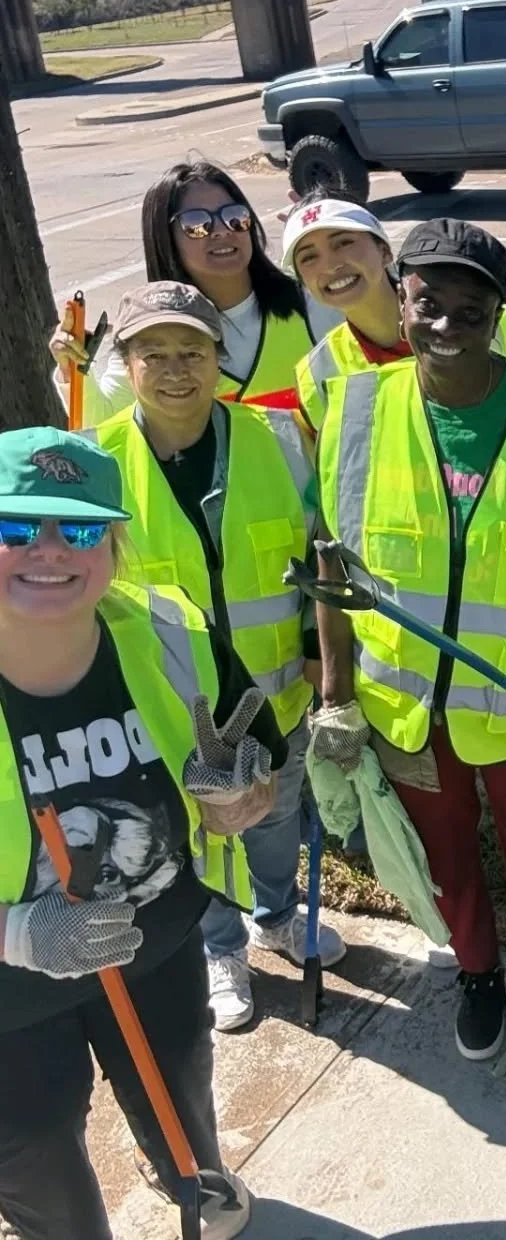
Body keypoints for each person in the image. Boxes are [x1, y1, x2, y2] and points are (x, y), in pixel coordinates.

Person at [306, 218, 506, 1063]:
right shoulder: (356, 411)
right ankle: (476, 968)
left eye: (471, 306)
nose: (447, 321)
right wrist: (335, 692)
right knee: (444, 846)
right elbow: (331, 561)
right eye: (429, 300)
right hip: (407, 704)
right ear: (400, 301)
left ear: (499, 311)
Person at [0, 427, 286, 1240]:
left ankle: (185, 1177)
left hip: (153, 942)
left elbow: (261, 763)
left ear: (115, 545)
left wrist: (241, 802)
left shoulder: (173, 637)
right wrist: (18, 933)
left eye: (81, 528)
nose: (48, 551)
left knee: (178, 1082)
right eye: (15, 529)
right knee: (36, 1144)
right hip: (6, 993)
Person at [87, 282, 345, 1033]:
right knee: (195, 834)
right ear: (126, 365)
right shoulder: (98, 464)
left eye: (193, 351)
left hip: (274, 696)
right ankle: (221, 947)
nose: (176, 370)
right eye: (154, 354)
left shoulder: (279, 440)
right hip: (170, 712)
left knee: (274, 819)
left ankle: (276, 914)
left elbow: (320, 556)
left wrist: (314, 659)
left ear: (219, 359)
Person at [50, 161, 341, 426]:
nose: (222, 231)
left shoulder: (311, 302)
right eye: (197, 225)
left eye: (235, 217)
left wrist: (343, 236)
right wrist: (72, 373)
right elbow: (104, 425)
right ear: (165, 240)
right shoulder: (145, 330)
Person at [278, 194, 506, 433]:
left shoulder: (479, 318)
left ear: (385, 250)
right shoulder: (316, 374)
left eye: (343, 243)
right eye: (309, 257)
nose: (331, 266)